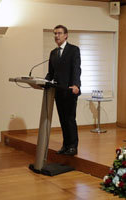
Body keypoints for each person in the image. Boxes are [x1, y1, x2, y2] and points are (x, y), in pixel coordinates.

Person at [45, 25, 81, 156]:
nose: (56, 36)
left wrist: (76, 85)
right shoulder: (53, 53)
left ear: (66, 35)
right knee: (62, 120)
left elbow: (77, 69)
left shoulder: (73, 50)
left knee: (70, 119)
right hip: (58, 91)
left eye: (59, 33)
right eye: (55, 33)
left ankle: (73, 146)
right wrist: (45, 81)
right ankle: (65, 145)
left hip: (70, 90)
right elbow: (51, 73)